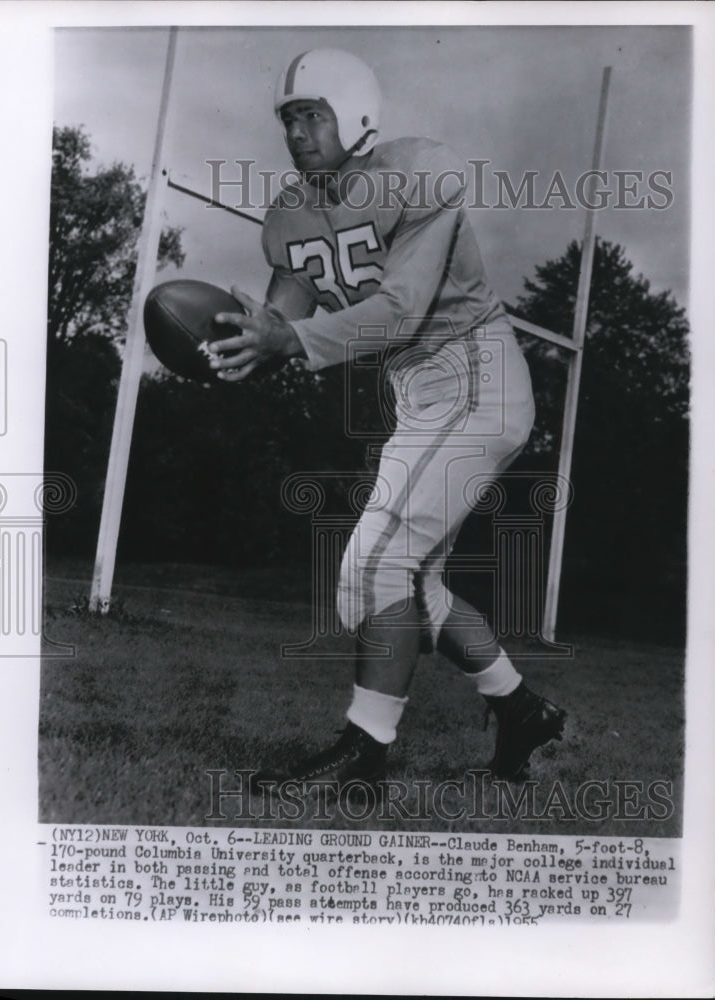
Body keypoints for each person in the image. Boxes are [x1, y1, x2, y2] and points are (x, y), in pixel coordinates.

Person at [210, 49, 565, 793]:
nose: (297, 133)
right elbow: (284, 316)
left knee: (374, 566)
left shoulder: (417, 174)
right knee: (408, 582)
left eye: (312, 115)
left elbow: (401, 309)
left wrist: (291, 340)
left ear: (357, 116)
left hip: (474, 373)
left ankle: (362, 753)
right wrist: (246, 341)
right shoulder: (290, 216)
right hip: (421, 396)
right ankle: (521, 708)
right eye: (287, 118)